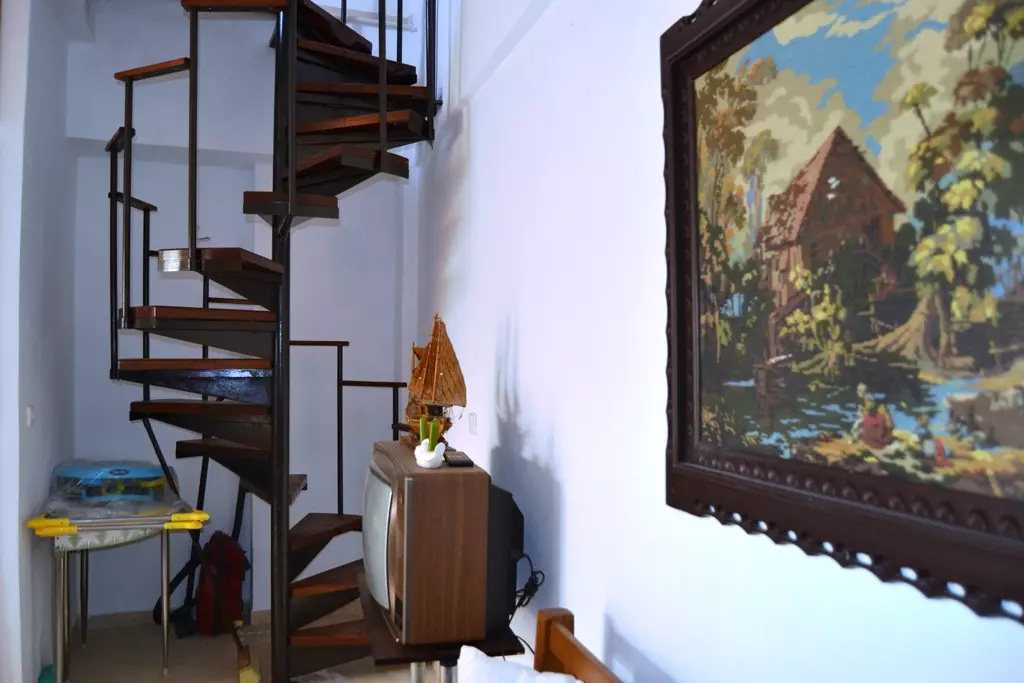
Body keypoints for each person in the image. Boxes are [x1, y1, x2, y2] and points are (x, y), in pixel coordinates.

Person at [851, 383, 894, 448]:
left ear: (863, 392)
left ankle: (859, 439)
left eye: (859, 390)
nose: (857, 392)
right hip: (881, 424)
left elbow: (870, 410)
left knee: (859, 424)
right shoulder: (868, 398)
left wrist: (863, 415)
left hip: (880, 424)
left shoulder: (868, 398)